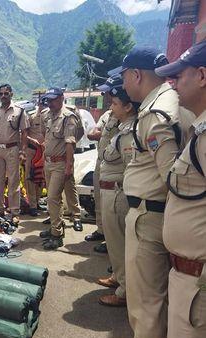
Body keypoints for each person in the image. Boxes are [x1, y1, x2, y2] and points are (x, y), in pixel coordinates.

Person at [109, 46, 192, 338]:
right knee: (154, 297)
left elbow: (173, 177)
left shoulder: (155, 113)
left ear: (137, 75)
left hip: (149, 214)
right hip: (155, 214)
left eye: (125, 75)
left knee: (146, 299)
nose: (123, 81)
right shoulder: (169, 101)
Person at [155, 40, 206, 338]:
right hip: (186, 279)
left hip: (197, 284)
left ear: (201, 75)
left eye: (179, 75)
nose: (174, 83)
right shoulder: (199, 131)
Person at [95, 76, 138, 307]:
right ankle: (117, 278)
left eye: (114, 104)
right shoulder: (119, 127)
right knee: (113, 242)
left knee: (120, 243)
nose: (110, 107)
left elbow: (129, 167)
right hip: (109, 192)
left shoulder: (130, 131)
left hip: (118, 193)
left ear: (128, 106)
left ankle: (123, 292)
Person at [38, 87, 83, 250]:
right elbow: (45, 136)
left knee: (52, 198)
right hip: (48, 162)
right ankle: (55, 227)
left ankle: (57, 235)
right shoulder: (47, 116)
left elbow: (70, 142)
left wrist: (69, 166)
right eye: (48, 100)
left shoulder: (68, 117)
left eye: (53, 99)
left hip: (60, 163)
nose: (50, 103)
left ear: (62, 98)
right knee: (53, 197)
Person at [0, 84, 29, 219]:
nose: (3, 96)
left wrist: (23, 151)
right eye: (1, 94)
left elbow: (24, 132)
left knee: (13, 181)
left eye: (6, 93)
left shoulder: (19, 111)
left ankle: (14, 211)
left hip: (12, 149)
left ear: (11, 94)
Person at [86, 80, 121, 247]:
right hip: (101, 162)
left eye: (107, 93)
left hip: (115, 165)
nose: (105, 96)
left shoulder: (124, 116)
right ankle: (101, 231)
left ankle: (111, 239)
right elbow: (92, 133)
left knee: (111, 206)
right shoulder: (107, 115)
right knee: (99, 199)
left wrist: (101, 134)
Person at [24, 97, 48, 216]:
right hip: (32, 151)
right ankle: (32, 205)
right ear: (38, 104)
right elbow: (23, 134)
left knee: (41, 179)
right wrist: (32, 140)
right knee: (30, 178)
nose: (44, 107)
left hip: (45, 152)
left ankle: (37, 202)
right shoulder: (31, 116)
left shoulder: (50, 117)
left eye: (46, 105)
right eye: (42, 105)